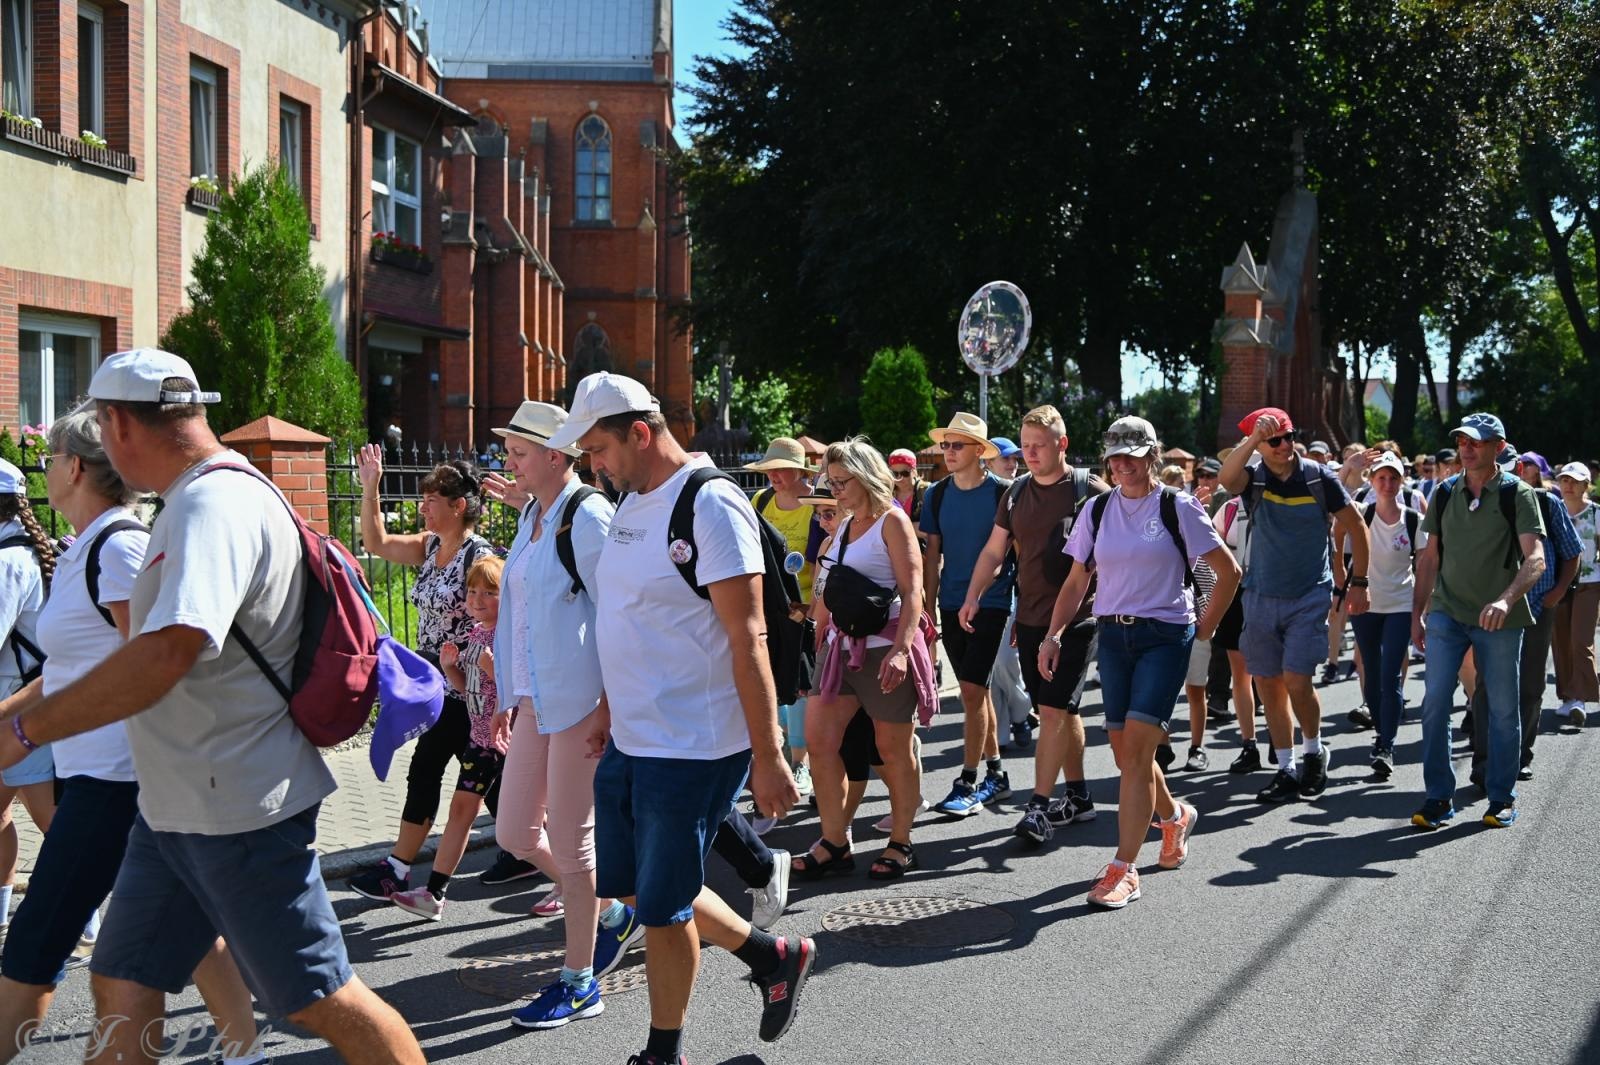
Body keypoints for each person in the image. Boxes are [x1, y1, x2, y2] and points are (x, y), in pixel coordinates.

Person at [0, 348, 424, 1063]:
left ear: (119, 426)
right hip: (178, 806)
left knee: (322, 999)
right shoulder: (201, 498)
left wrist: (24, 726)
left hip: (239, 808)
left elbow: (168, 650)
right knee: (124, 981)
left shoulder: (211, 504)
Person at [548, 372, 814, 1064]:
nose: (593, 465)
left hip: (693, 743)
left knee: (663, 909)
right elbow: (627, 614)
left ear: (640, 432)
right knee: (645, 888)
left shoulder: (709, 504)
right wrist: (609, 706)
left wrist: (769, 751)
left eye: (599, 448)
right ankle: (770, 955)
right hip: (634, 738)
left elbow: (748, 633)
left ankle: (663, 1053)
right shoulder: (634, 500)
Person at [0, 411, 262, 1065]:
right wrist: (10, 716)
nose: (44, 465)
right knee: (189, 928)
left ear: (76, 467)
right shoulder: (81, 548)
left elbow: (150, 664)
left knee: (39, 935)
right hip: (100, 774)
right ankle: (246, 1047)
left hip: (121, 780)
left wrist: (28, 731)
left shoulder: (117, 547)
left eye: (51, 453)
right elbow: (71, 668)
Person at [484, 400, 651, 1029]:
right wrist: (508, 696)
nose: (509, 462)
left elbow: (619, 612)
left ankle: (580, 982)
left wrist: (611, 702)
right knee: (515, 835)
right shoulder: (533, 512)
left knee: (575, 848)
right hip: (535, 700)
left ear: (556, 456)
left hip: (581, 702)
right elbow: (520, 613)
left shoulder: (587, 516)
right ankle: (611, 913)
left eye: (519, 452)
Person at [1039, 416, 1239, 907]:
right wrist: (1053, 634)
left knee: (1138, 754)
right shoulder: (1097, 509)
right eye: (1116, 455)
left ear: (1153, 455)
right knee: (1126, 753)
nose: (1123, 464)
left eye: (1133, 454)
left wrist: (1204, 632)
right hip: (1112, 636)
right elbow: (1075, 581)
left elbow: (1228, 573)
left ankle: (1124, 868)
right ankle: (1174, 818)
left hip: (1165, 637)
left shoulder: (1178, 507)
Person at [348, 448, 495, 901]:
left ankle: (398, 867)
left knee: (428, 767)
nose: (423, 505)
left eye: (432, 499)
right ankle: (533, 852)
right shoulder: (431, 547)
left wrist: (472, 669)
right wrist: (370, 485)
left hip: (465, 686)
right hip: (434, 680)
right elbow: (376, 543)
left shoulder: (480, 555)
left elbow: (498, 615)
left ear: (459, 506)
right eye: (423, 497)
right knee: (499, 786)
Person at [959, 405, 1108, 845]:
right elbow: (994, 551)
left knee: (1054, 709)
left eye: (1039, 446)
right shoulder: (1017, 492)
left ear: (1062, 444)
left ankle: (1038, 807)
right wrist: (974, 595)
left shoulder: (1090, 491)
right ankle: (1079, 797)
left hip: (1078, 621)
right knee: (1059, 709)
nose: (1030, 454)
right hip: (1028, 618)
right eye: (1024, 446)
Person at [1218, 407, 1371, 804]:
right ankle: (1285, 768)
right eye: (1275, 440)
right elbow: (1226, 478)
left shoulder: (1320, 478)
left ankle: (1314, 751)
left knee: (1297, 679)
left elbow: (1357, 526)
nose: (1285, 445)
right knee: (1267, 682)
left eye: (1287, 436)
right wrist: (1252, 441)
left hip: (1308, 595)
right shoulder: (1254, 478)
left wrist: (1359, 582)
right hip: (1260, 595)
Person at [799, 438, 932, 877]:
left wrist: (900, 652)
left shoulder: (892, 521)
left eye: (841, 481)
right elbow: (827, 586)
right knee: (819, 740)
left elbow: (914, 593)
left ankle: (901, 841)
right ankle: (835, 841)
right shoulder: (844, 525)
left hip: (883, 646)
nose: (834, 489)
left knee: (892, 748)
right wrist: (817, 627)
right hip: (840, 648)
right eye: (830, 482)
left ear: (865, 475)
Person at [1410, 413, 1546, 831]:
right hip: (1448, 612)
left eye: (1477, 442)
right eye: (1462, 441)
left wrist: (1505, 601)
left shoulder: (1518, 494)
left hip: (1498, 619)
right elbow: (1430, 556)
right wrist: (1418, 613)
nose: (1467, 448)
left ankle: (1501, 797)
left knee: (1503, 709)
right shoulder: (1445, 491)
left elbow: (1536, 558)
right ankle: (1438, 797)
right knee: (1434, 704)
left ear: (1498, 448)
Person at [391, 555, 508, 922]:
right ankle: (434, 893)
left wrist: (496, 672)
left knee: (534, 820)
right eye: (472, 591)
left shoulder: (509, 637)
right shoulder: (475, 634)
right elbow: (467, 689)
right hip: (479, 739)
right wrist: (450, 669)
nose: (476, 599)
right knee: (462, 811)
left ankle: (576, 883)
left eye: (489, 592)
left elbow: (521, 693)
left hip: (506, 741)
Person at [1464, 450, 1578, 784]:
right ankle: (1483, 762)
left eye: (1510, 463)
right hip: (1490, 608)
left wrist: (1555, 595)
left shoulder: (1545, 502)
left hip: (1535, 608)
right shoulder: (1475, 501)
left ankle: (1521, 755)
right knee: (1487, 685)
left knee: (1529, 684)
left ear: (1519, 467)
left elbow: (1571, 553)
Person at [922, 413, 1014, 816]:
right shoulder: (936, 495)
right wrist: (925, 609)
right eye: (946, 445)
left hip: (993, 602)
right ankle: (997, 773)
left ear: (980, 451)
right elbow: (931, 557)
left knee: (973, 692)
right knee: (975, 691)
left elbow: (1018, 554)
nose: (949, 452)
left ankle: (968, 780)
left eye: (957, 445)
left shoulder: (1004, 494)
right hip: (950, 602)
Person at [744, 438, 817, 799]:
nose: (773, 475)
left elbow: (821, 563)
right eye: (769, 469)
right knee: (773, 688)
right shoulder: (759, 502)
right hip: (771, 611)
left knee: (800, 689)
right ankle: (784, 755)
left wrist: (810, 611)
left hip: (804, 613)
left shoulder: (816, 506)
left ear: (800, 471)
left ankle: (803, 762)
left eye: (781, 469)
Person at [1346, 453, 1426, 778]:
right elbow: (1332, 521)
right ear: (1371, 480)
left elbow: (1424, 567)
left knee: (1391, 673)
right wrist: (1343, 579)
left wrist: (1421, 609)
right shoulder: (1360, 513)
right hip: (1365, 604)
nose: (1388, 484)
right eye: (1382, 478)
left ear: (1402, 481)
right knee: (1371, 670)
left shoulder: (1412, 519)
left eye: (1394, 478)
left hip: (1400, 604)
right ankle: (1380, 731)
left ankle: (1385, 744)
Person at [0, 461, 52, 954]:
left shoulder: (8, 561)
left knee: (53, 821)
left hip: (14, 707)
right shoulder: (12, 550)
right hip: (14, 703)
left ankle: (88, 922)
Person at [1554, 462, 1600, 726]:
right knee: (1560, 642)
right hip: (1559, 584)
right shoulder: (1553, 511)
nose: (1569, 485)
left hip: (1589, 583)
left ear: (1586, 485)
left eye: (1575, 481)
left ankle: (1580, 698)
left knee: (1581, 641)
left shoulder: (1596, 514)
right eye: (1564, 480)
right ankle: (1567, 697)